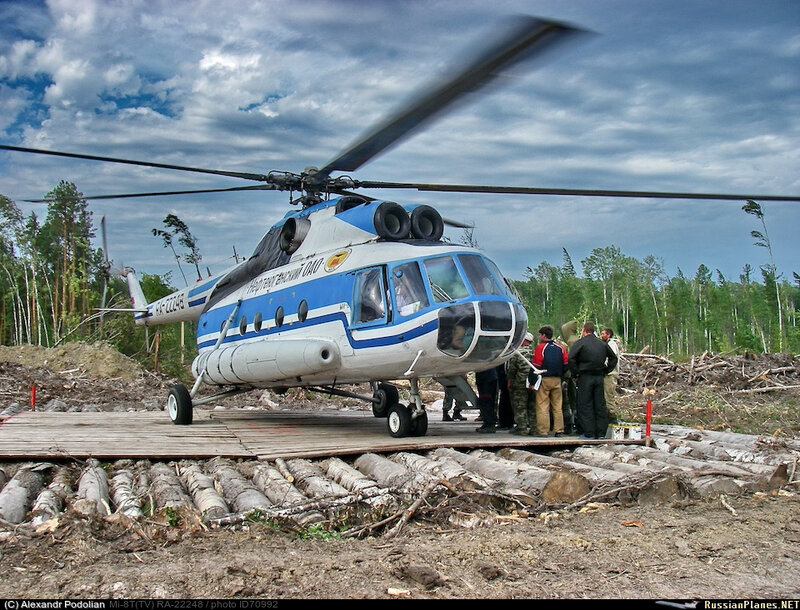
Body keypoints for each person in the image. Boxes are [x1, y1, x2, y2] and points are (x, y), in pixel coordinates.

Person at [568, 322, 618, 440]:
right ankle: (601, 432)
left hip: (585, 376)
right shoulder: (602, 344)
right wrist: (606, 370)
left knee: (585, 404)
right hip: (599, 376)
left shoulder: (580, 343)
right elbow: (613, 358)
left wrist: (576, 372)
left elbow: (571, 358)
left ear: (584, 331)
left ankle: (588, 432)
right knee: (599, 404)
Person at [530, 325, 568, 437]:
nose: (539, 337)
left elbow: (535, 366)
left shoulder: (541, 348)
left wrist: (532, 382)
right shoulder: (560, 347)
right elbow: (566, 364)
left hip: (544, 378)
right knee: (557, 406)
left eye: (539, 335)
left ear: (543, 335)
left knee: (542, 406)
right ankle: (559, 430)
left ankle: (543, 431)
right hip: (557, 379)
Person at [506, 332, 535, 435]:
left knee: (520, 405)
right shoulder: (534, 352)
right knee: (532, 405)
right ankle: (534, 428)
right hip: (534, 382)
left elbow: (512, 369)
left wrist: (509, 381)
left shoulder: (518, 353)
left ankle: (521, 428)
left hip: (520, 382)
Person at [559, 321, 580, 435]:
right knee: (574, 401)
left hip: (568, 376)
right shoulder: (575, 340)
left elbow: (570, 359)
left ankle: (569, 424)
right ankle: (574, 423)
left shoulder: (571, 342)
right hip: (573, 375)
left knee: (567, 401)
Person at [600, 327, 622, 420]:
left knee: (609, 397)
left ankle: (612, 418)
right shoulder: (606, 344)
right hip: (607, 374)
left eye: (603, 334)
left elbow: (610, 359)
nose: (601, 336)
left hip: (610, 374)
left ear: (608, 335)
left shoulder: (611, 345)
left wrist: (606, 369)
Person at [474, 367, 498, 433]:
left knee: (486, 402)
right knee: (487, 402)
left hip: (486, 380)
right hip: (488, 378)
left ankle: (489, 424)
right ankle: (487, 423)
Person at [495, 362, 514, 429]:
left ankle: (506, 423)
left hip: (506, 379)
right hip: (504, 379)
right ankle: (505, 422)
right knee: (505, 401)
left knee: (505, 402)